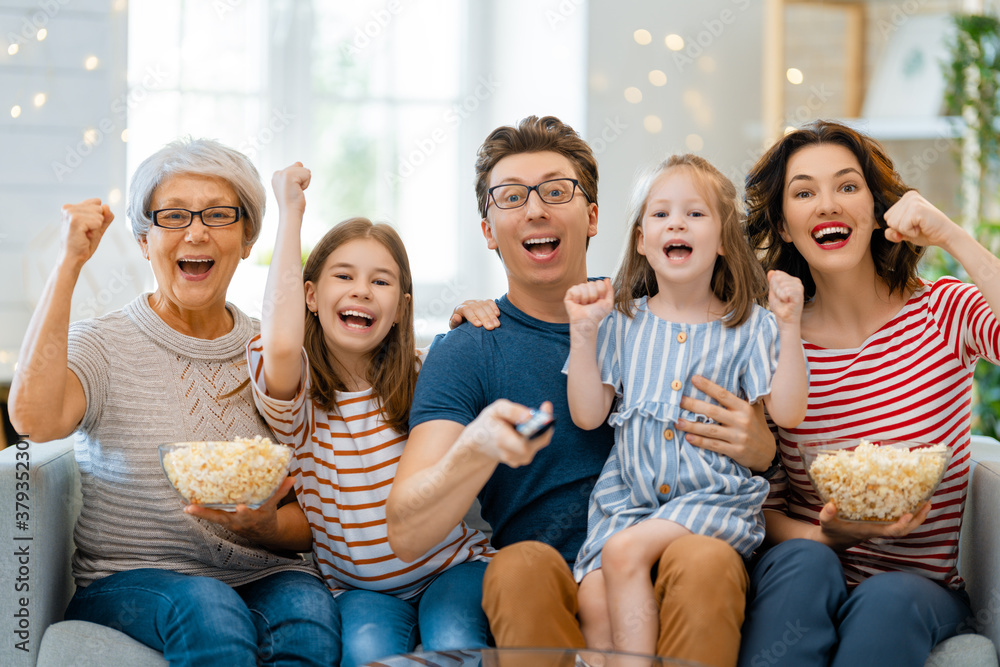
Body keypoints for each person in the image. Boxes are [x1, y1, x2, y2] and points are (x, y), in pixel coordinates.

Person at [386, 115, 777, 667]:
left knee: (705, 561)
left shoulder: (660, 309)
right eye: (511, 196)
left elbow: (768, 432)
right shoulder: (469, 350)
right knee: (518, 566)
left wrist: (763, 447)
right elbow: (406, 530)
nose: (535, 209)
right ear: (487, 229)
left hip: (681, 557)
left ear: (592, 217)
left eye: (555, 190)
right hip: (557, 582)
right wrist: (477, 447)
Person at [7, 139, 341, 666]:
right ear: (145, 240)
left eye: (218, 214)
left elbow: (314, 511)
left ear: (248, 238)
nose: (197, 230)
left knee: (309, 617)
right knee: (208, 607)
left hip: (264, 570)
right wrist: (70, 262)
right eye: (174, 215)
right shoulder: (103, 344)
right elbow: (34, 419)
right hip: (129, 581)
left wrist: (268, 527)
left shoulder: (273, 353)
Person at [735, 120, 1000, 667]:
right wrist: (829, 536)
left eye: (847, 186)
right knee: (805, 566)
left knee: (889, 597)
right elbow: (761, 506)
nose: (827, 204)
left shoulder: (943, 312)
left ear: (878, 209)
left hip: (918, 587)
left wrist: (952, 235)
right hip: (807, 565)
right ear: (784, 227)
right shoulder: (772, 338)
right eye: (804, 192)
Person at [244, 162, 494, 667]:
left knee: (455, 638)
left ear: (400, 309)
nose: (361, 290)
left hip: (454, 567)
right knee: (368, 655)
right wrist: (290, 212)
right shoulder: (301, 397)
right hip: (358, 590)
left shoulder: (428, 372)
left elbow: (492, 377)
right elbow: (283, 337)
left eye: (380, 282)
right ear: (311, 296)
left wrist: (474, 326)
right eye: (344, 276)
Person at [564, 154, 808, 656]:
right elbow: (588, 414)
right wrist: (583, 335)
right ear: (640, 241)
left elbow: (788, 413)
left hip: (713, 499)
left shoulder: (751, 326)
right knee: (592, 597)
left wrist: (789, 326)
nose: (676, 222)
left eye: (695, 214)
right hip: (627, 502)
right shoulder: (620, 322)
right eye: (660, 214)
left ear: (721, 241)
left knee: (625, 553)